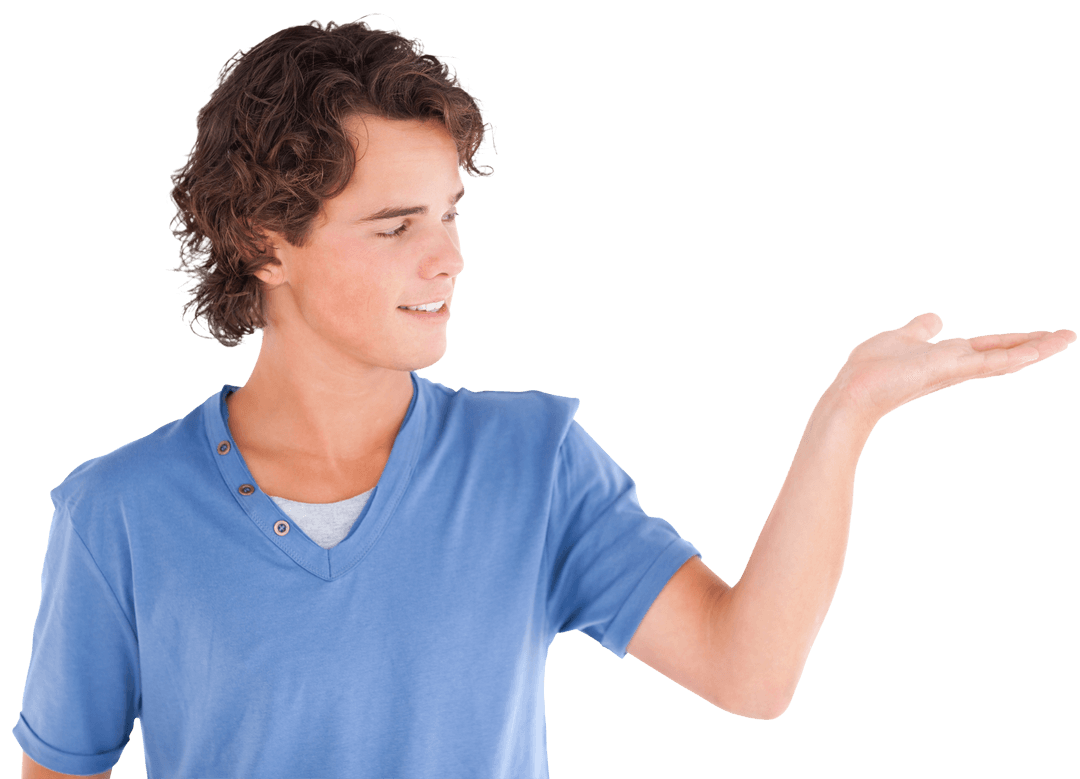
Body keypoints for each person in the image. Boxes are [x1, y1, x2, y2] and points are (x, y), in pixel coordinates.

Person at [14, 15, 1075, 779]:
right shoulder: (120, 512)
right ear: (264, 243)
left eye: (449, 214)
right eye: (396, 226)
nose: (449, 260)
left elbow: (748, 672)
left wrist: (844, 416)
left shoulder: (534, 462)